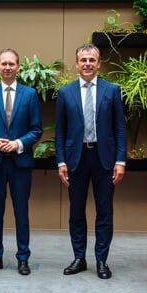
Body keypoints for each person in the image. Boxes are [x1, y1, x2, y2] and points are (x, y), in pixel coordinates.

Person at [55, 44, 126, 279]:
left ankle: (101, 260)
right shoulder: (66, 93)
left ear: (99, 64)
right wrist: (61, 161)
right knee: (76, 211)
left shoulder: (112, 90)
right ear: (77, 64)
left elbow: (119, 129)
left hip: (104, 157)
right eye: (83, 60)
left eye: (92, 60)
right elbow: (60, 132)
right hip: (76, 158)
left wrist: (120, 160)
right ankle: (79, 258)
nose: (87, 64)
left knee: (104, 211)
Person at [0, 49, 43, 275]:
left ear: (18, 67)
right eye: (4, 64)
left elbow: (36, 129)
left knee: (21, 212)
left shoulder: (30, 94)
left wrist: (19, 144)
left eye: (12, 64)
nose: (7, 67)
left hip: (21, 163)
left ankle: (23, 258)